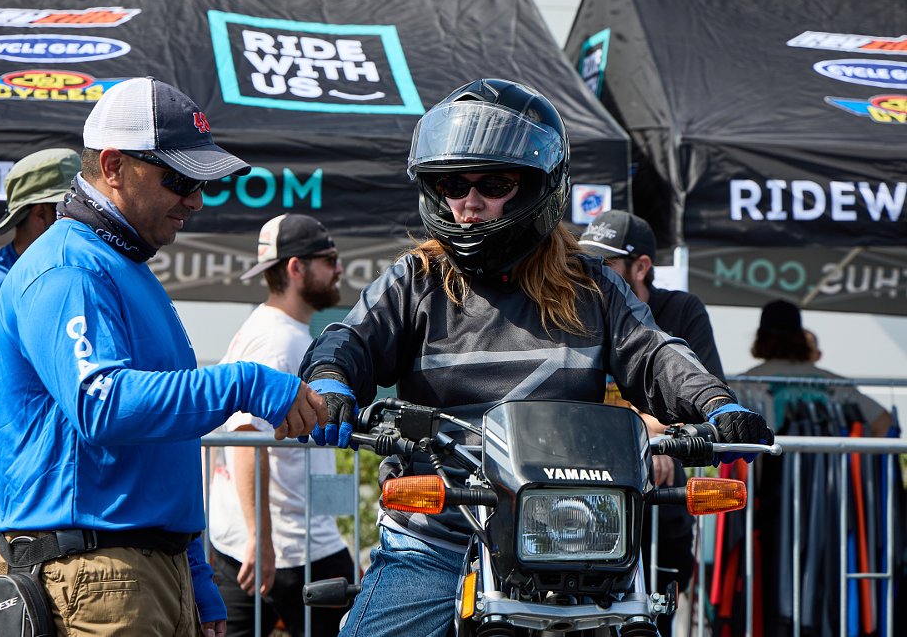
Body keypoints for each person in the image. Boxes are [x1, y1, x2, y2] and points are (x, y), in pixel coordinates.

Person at [298, 78, 773, 637]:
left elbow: (654, 352)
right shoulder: (415, 281)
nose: (469, 203)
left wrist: (715, 405)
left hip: (575, 538)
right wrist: (330, 389)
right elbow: (345, 342)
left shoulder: (591, 287)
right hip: (440, 533)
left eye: (493, 183)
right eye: (453, 183)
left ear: (535, 188)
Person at [0, 77, 327, 637]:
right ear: (114, 166)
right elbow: (104, 407)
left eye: (201, 182)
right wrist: (245, 383)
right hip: (96, 573)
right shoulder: (69, 266)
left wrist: (193, 572)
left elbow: (162, 446)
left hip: (135, 567)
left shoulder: (121, 266)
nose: (194, 199)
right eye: (179, 178)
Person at [579, 208, 725, 633]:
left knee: (655, 612)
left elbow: (706, 398)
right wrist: (641, 428)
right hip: (576, 491)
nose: (589, 272)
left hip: (658, 497)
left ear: (641, 266)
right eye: (584, 261)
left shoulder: (680, 309)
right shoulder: (574, 307)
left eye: (603, 262)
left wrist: (646, 434)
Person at [209, 213, 355, 637]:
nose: (339, 268)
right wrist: (261, 538)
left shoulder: (267, 328)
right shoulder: (278, 339)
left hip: (262, 543)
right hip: (291, 547)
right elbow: (244, 439)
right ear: (296, 268)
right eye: (329, 258)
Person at [0, 147, 80, 551]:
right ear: (42, 213)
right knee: (27, 609)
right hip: (0, 474)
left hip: (60, 472)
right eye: (73, 206)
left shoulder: (74, 271)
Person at [740, 299, 892, 437]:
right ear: (801, 338)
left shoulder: (744, 383)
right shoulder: (837, 383)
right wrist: (861, 462)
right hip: (829, 465)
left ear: (760, 338)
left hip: (767, 462)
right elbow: (884, 422)